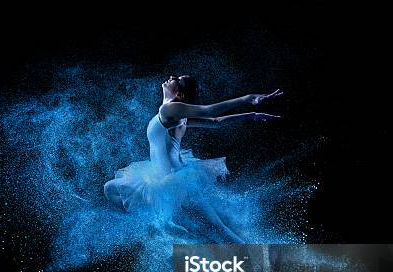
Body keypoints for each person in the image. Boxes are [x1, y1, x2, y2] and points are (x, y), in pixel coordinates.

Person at [104, 75, 283, 243]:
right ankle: (167, 224)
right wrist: (252, 115)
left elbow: (209, 111)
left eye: (177, 80)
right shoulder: (175, 113)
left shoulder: (169, 109)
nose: (172, 77)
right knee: (110, 188)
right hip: (167, 175)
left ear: (179, 94)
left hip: (174, 178)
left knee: (217, 226)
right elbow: (216, 122)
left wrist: (248, 98)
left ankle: (252, 256)